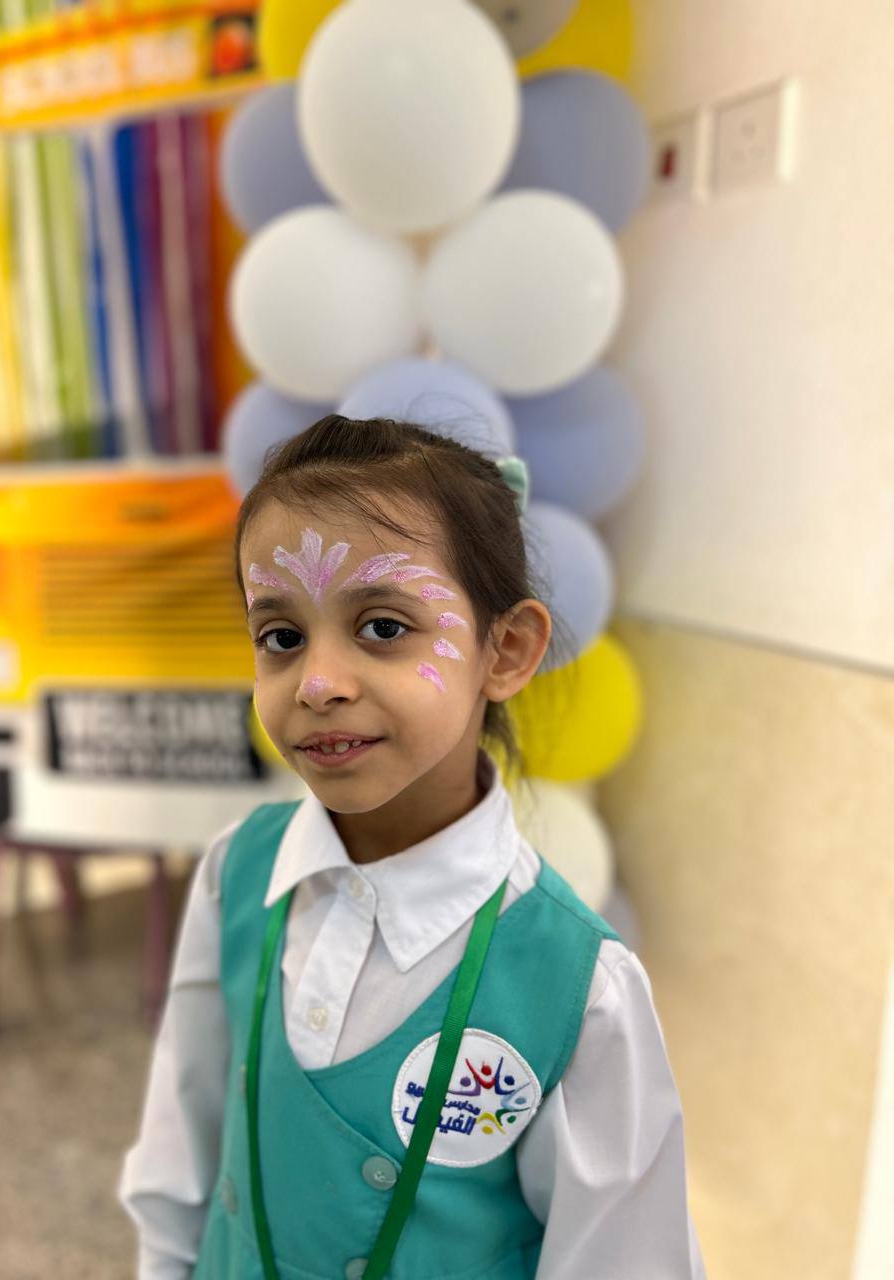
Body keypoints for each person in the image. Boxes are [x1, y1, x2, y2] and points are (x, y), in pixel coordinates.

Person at [119, 414, 706, 1279]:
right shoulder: (235, 875)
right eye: (281, 638)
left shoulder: (582, 992)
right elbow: (180, 1162)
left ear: (506, 651)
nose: (317, 683)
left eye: (385, 627)